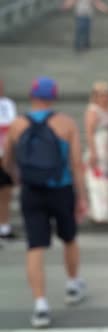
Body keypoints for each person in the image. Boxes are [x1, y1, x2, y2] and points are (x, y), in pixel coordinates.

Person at [3, 77, 88, 328]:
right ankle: (73, 285)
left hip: (31, 191)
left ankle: (40, 305)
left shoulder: (17, 124)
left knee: (35, 247)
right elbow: (75, 164)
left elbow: (8, 160)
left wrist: (19, 178)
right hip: (61, 189)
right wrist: (81, 197)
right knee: (69, 238)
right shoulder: (66, 123)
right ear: (54, 96)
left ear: (31, 95)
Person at [84, 81, 108, 223]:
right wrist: (93, 152)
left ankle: (107, 208)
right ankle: (99, 212)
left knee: (107, 179)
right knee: (97, 180)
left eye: (106, 95)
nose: (104, 98)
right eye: (101, 95)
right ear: (95, 96)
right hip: (97, 145)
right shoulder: (92, 110)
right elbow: (89, 133)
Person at [0, 79, 17, 240]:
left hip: (5, 154)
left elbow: (12, 127)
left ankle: (4, 227)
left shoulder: (7, 104)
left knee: (6, 192)